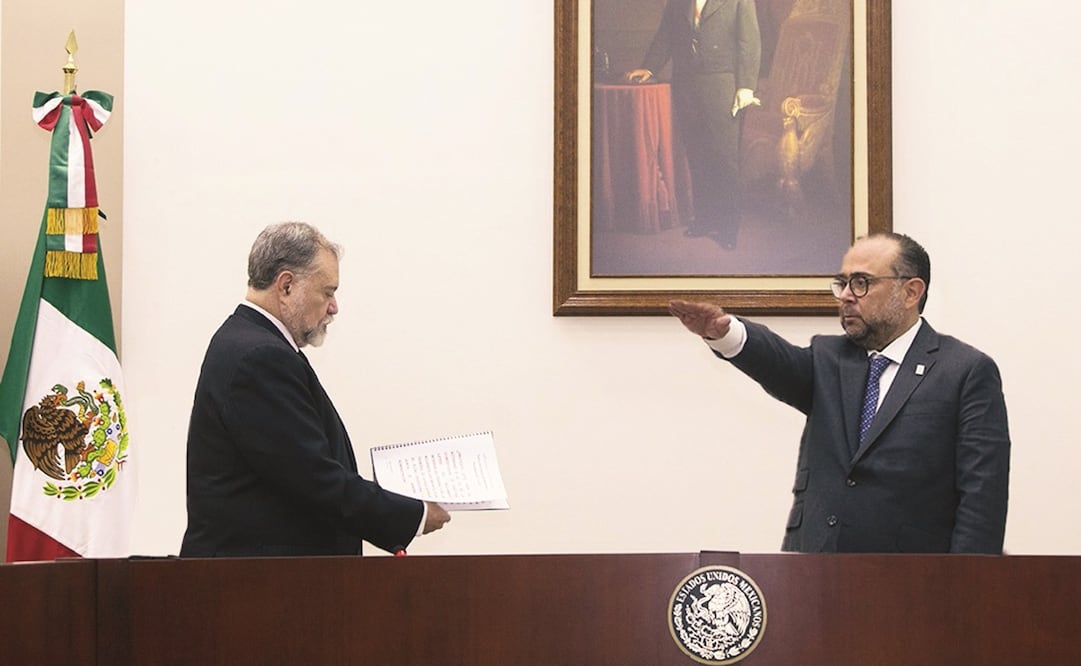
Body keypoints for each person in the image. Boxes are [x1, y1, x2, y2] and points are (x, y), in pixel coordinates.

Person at [669, 232, 1011, 553]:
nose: (846, 295)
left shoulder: (965, 371)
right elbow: (778, 363)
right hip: (815, 573)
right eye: (842, 283)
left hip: (913, 581)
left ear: (911, 291)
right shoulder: (828, 359)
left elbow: (983, 496)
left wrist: (967, 584)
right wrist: (726, 334)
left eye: (861, 283)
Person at [180, 222, 450, 557]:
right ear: (287, 286)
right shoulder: (260, 356)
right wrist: (415, 515)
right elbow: (312, 478)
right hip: (258, 589)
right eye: (328, 292)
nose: (334, 307)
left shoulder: (250, 343)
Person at [626, 0, 761, 249]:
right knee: (697, 155)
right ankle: (704, 218)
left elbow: (749, 43)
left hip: (723, 85)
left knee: (724, 158)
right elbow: (665, 36)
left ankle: (728, 226)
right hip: (685, 85)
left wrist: (746, 86)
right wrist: (649, 67)